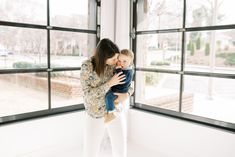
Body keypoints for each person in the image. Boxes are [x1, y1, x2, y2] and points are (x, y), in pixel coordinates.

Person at [80, 38, 134, 157]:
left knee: (120, 149)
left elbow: (129, 83)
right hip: (95, 114)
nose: (117, 61)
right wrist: (109, 84)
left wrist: (128, 94)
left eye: (117, 58)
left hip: (115, 111)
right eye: (114, 59)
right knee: (90, 151)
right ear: (104, 56)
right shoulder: (87, 66)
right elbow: (88, 94)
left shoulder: (116, 64)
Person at [104, 49, 134, 123]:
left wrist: (118, 70)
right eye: (119, 61)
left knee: (109, 97)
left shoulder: (128, 72)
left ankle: (111, 113)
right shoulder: (124, 69)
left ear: (130, 62)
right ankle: (110, 111)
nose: (121, 63)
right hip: (116, 89)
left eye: (124, 61)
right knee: (109, 97)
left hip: (120, 91)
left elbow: (122, 79)